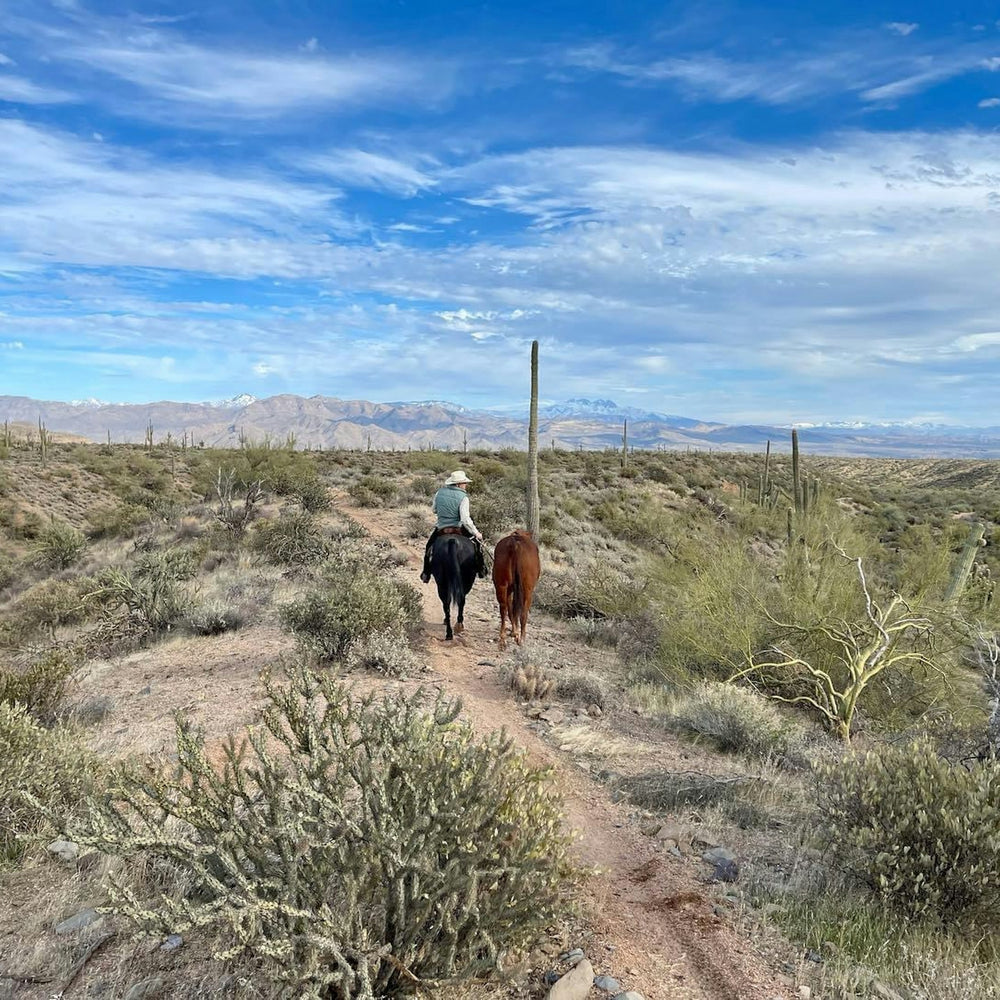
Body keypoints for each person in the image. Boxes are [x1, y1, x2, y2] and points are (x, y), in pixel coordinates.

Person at [420, 470, 487, 582]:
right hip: (458, 528)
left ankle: (426, 573)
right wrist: (476, 533)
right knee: (477, 545)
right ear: (458, 484)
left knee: (429, 547)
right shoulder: (463, 497)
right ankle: (481, 569)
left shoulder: (439, 493)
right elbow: (465, 519)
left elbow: (434, 510)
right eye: (464, 483)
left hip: (441, 528)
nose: (466, 485)